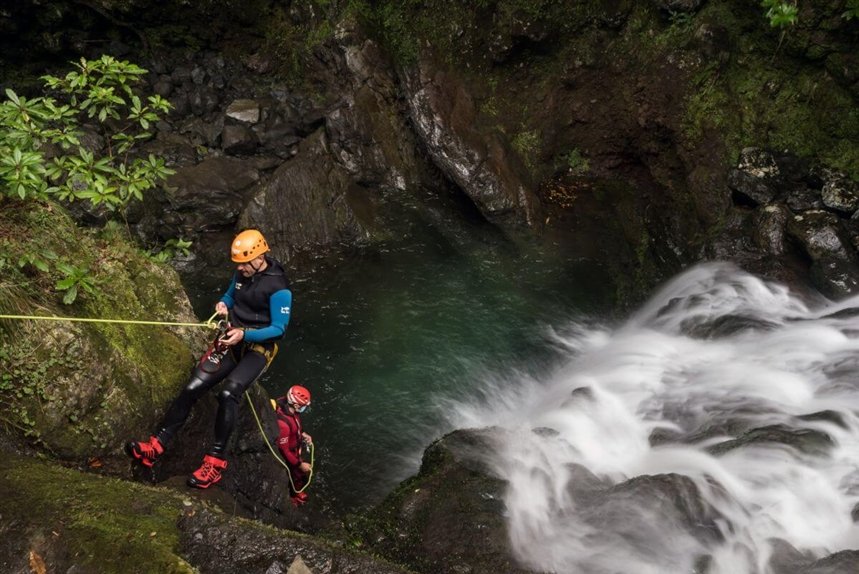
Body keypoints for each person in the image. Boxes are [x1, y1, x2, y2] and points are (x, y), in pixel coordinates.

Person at [126, 229, 292, 489]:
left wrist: (245, 333)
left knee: (229, 393)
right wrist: (223, 305)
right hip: (231, 340)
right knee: (193, 387)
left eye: (244, 263)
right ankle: (156, 445)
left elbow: (279, 329)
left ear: (259, 258)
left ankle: (214, 464)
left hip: (258, 349)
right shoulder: (241, 273)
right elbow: (229, 295)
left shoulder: (279, 288)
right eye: (238, 264)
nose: (240, 268)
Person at [274, 385, 313, 506]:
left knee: (300, 475)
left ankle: (296, 491)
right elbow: (284, 450)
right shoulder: (283, 425)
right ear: (296, 405)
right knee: (297, 475)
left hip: (295, 447)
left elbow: (296, 425)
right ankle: (294, 496)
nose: (304, 408)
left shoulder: (290, 409)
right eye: (303, 406)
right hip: (291, 454)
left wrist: (303, 433)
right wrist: (300, 464)